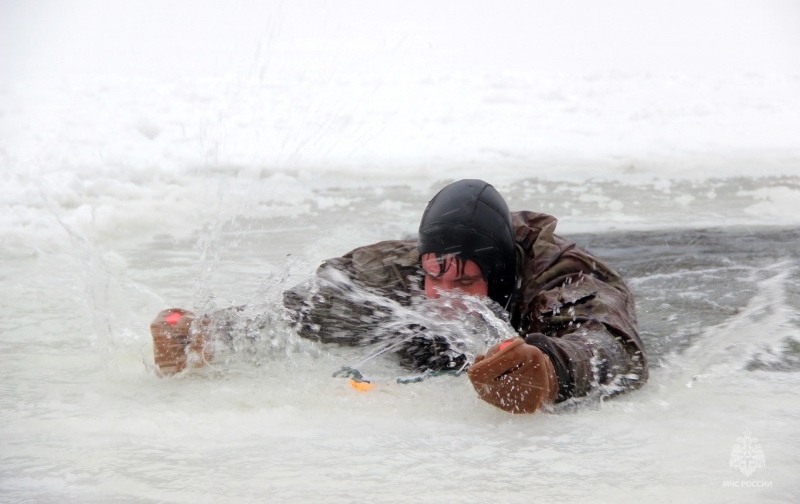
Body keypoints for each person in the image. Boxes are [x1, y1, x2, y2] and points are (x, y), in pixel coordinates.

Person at [151, 179, 648, 414]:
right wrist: (209, 334)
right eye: (437, 277)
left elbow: (612, 346)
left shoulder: (558, 277)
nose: (446, 297)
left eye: (465, 283)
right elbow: (298, 316)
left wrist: (549, 371)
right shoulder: (392, 274)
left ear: (498, 277)